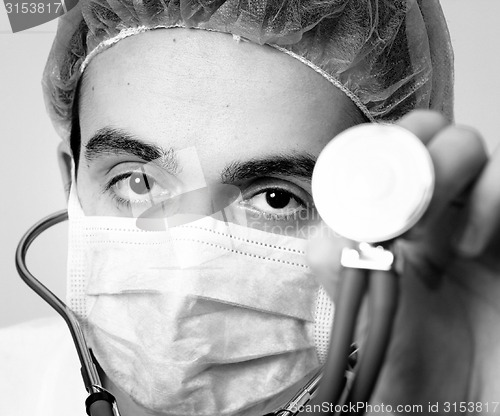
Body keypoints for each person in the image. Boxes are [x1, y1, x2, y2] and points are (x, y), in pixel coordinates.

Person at [2, 0, 500, 415]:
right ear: (70, 180)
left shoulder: (435, 394)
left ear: (386, 218)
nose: (187, 279)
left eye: (276, 198)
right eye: (137, 182)